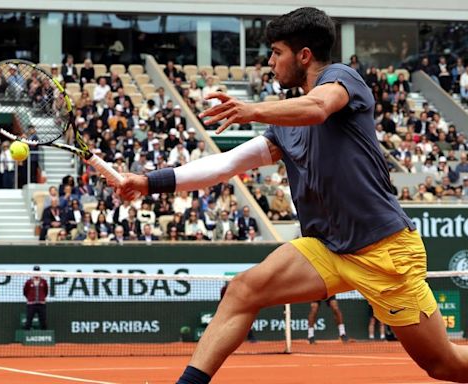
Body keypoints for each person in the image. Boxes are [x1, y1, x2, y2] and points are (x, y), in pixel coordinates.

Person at [111, 7, 468, 383]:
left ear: (304, 56)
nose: (270, 61)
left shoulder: (341, 79)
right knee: (243, 290)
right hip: (328, 249)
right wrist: (148, 182)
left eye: (277, 52)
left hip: (384, 251)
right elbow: (224, 165)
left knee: (443, 365)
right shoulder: (284, 127)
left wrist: (253, 110)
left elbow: (318, 107)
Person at [23, 266, 48, 330]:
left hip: (41, 304)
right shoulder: (28, 282)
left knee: (43, 321)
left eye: (38, 271)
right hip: (31, 304)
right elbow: (25, 291)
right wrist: (30, 298)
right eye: (35, 271)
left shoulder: (44, 281)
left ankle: (44, 335)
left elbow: (46, 291)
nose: (36, 273)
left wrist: (41, 298)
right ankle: (26, 336)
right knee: (28, 321)